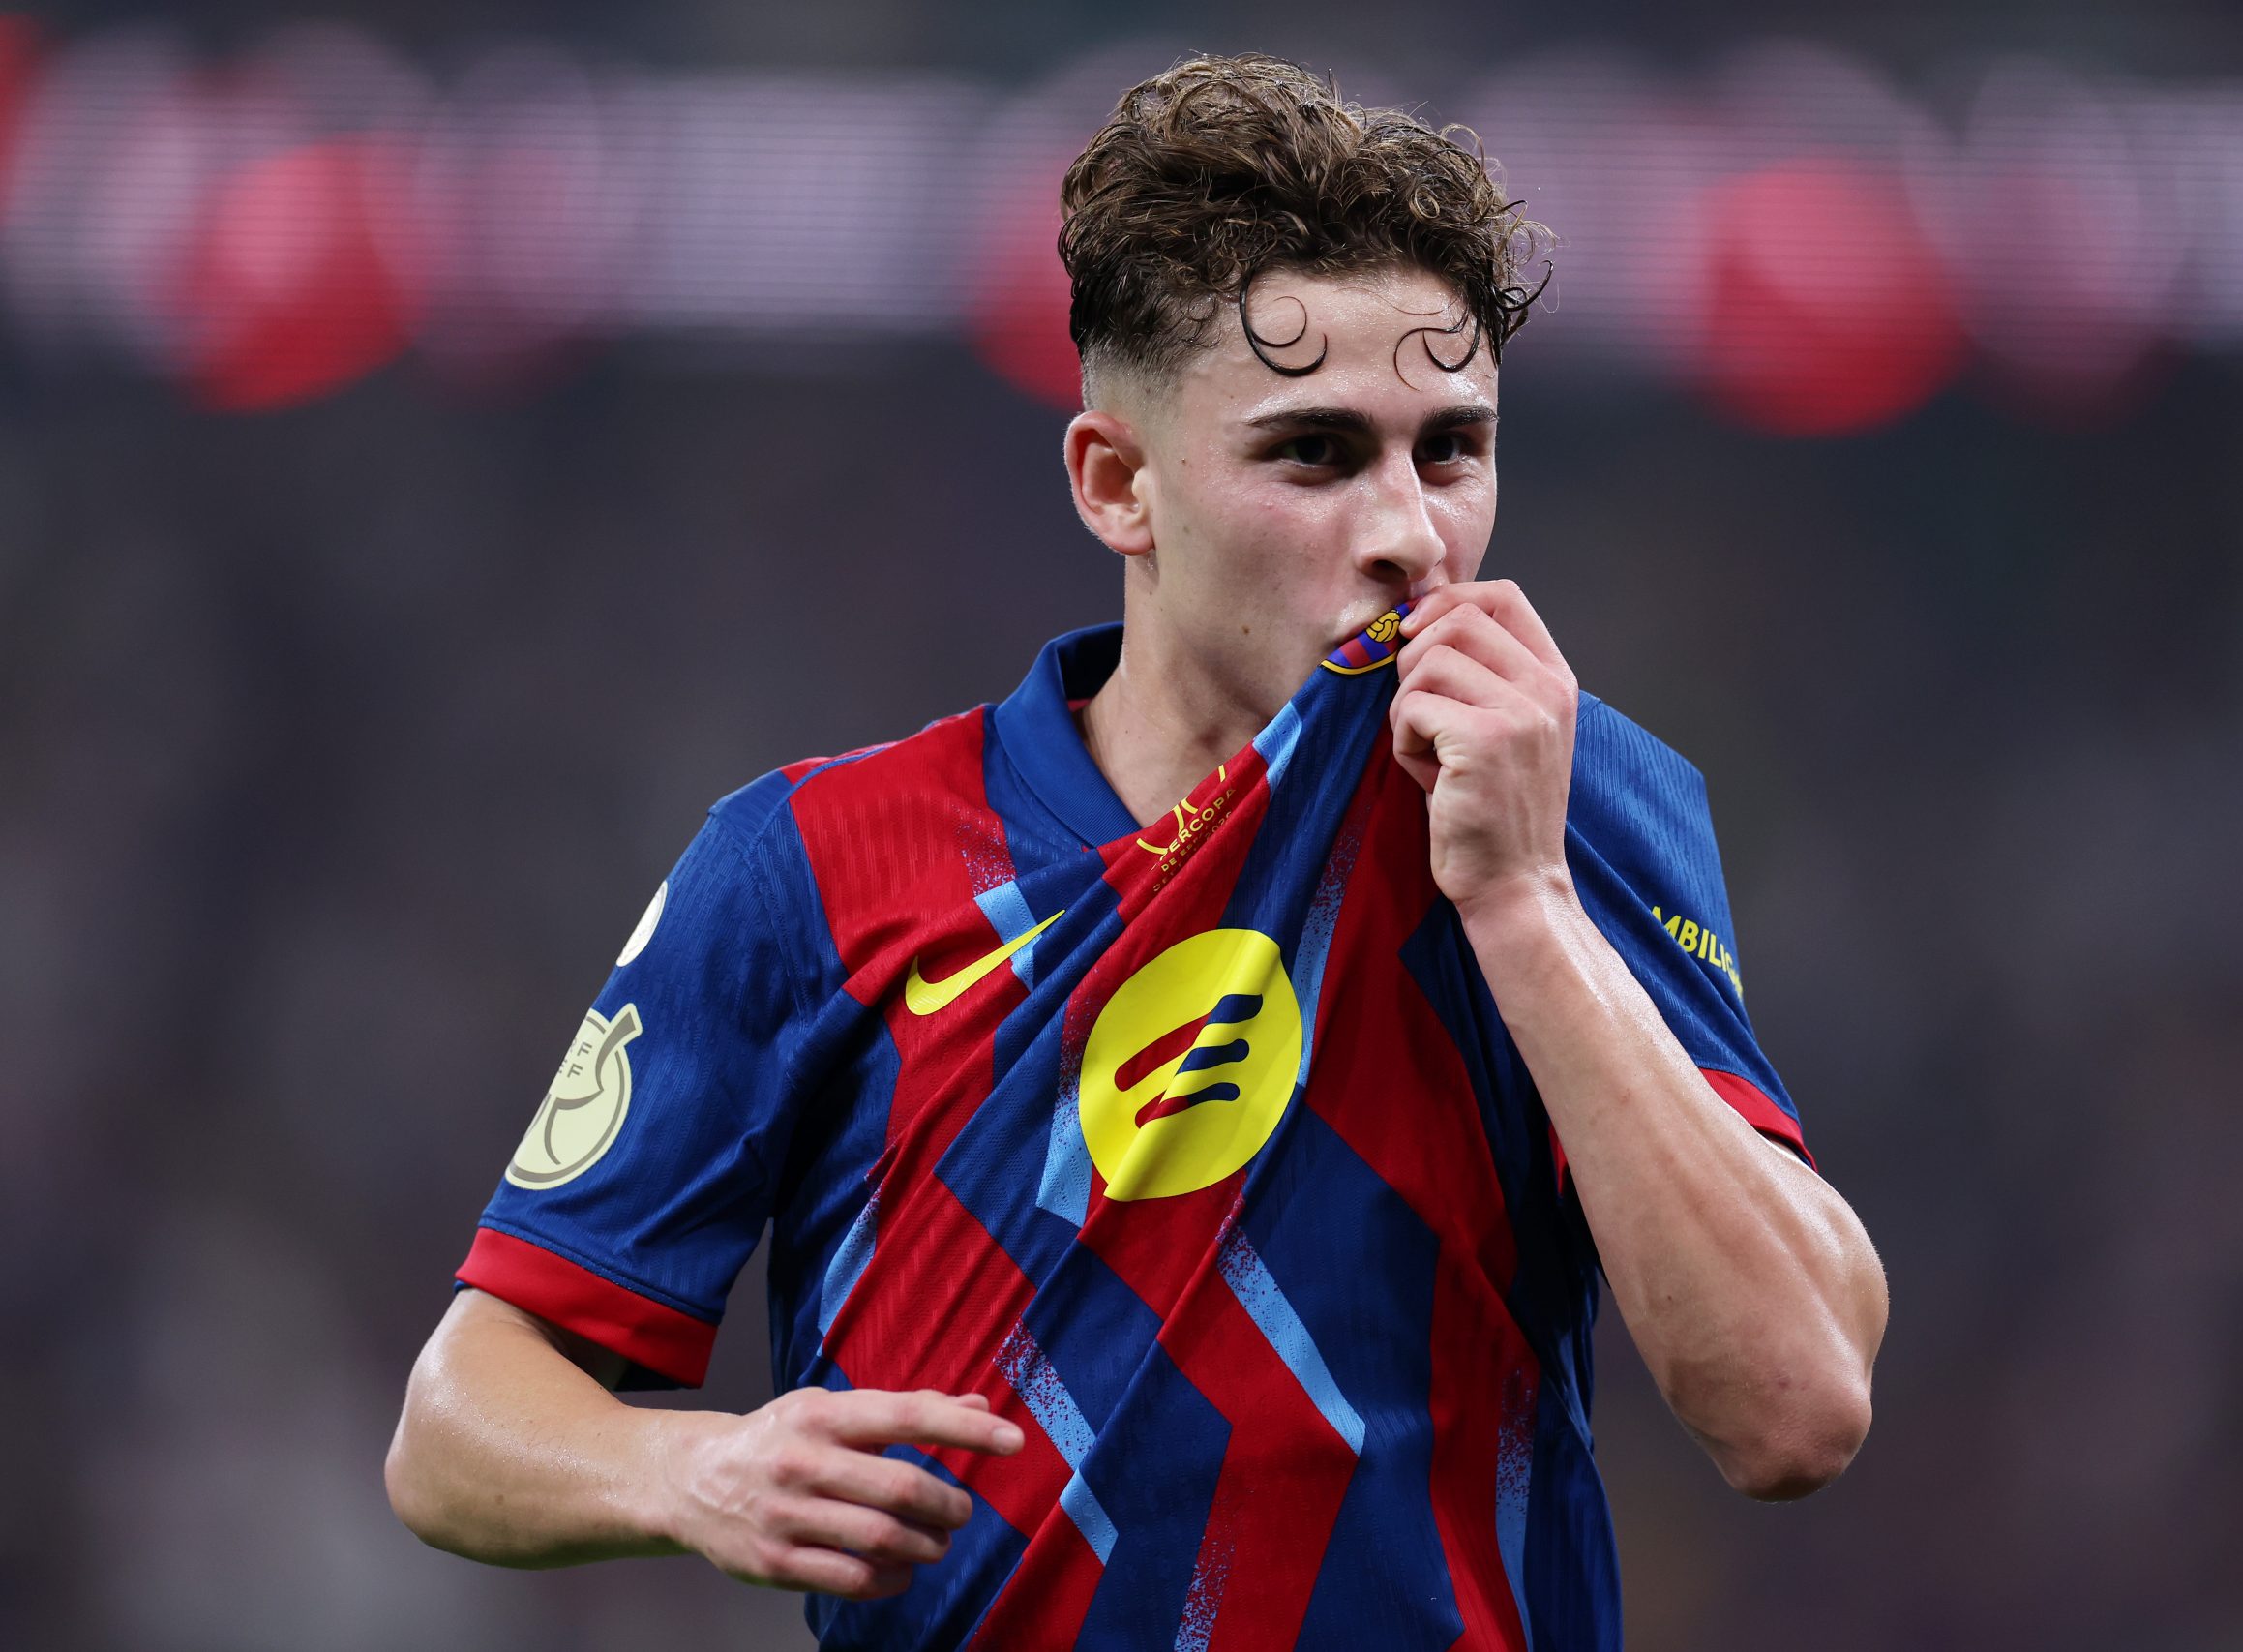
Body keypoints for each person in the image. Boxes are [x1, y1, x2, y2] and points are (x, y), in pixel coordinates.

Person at [386, 51, 1888, 1649]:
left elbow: (1795, 1409)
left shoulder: (1567, 797)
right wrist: (685, 1468)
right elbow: (458, 1424)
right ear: (1119, 485)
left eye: (1451, 449)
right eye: (1316, 454)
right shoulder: (813, 864)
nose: (1410, 532)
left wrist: (1520, 900)